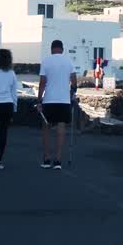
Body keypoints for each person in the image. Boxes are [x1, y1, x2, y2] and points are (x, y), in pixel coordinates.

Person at [37, 40, 76, 170]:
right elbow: (74, 81)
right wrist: (72, 93)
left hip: (49, 100)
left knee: (46, 128)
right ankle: (58, 160)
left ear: (51, 49)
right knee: (61, 128)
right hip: (64, 100)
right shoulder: (69, 61)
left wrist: (39, 101)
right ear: (62, 49)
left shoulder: (46, 61)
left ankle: (47, 158)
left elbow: (42, 82)